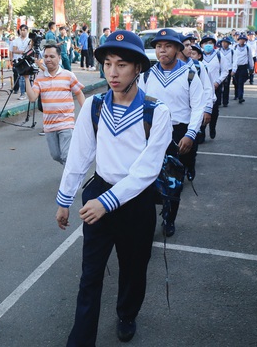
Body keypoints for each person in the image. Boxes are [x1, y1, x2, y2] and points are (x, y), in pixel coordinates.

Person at [55, 30, 171, 346]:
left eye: (121, 65)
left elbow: (146, 171)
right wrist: (64, 200)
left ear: (138, 69)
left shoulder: (156, 112)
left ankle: (127, 313)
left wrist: (107, 202)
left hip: (135, 203)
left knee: (133, 271)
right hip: (100, 195)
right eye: (107, 64)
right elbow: (79, 156)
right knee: (89, 277)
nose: (113, 72)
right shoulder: (94, 106)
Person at [138, 28, 204, 236]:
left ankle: (169, 218)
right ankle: (147, 218)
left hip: (179, 133)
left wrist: (191, 134)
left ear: (177, 49)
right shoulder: (147, 75)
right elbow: (139, 105)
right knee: (148, 178)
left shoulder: (190, 75)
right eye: (158, 46)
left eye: (167, 46)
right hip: (152, 132)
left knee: (174, 180)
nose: (162, 51)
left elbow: (198, 106)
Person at [23, 42, 85, 164]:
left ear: (59, 57)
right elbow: (32, 98)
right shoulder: (40, 77)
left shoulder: (68, 75)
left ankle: (71, 181)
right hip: (49, 125)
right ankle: (74, 170)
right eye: (45, 56)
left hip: (66, 123)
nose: (48, 59)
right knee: (56, 155)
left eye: (52, 56)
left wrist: (85, 111)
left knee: (66, 155)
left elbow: (79, 93)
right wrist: (25, 78)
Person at [178, 33, 214, 146]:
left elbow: (208, 88)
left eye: (190, 45)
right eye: (187, 45)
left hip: (194, 113)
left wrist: (208, 109)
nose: (190, 48)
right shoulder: (169, 67)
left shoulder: (198, 66)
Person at [231, 33, 254, 104]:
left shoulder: (247, 48)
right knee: (236, 82)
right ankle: (236, 94)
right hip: (235, 67)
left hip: (243, 67)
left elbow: (250, 58)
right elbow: (231, 58)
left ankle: (240, 97)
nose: (242, 41)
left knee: (241, 82)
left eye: (243, 40)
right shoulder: (234, 47)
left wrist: (251, 68)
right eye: (240, 40)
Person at [11, 25, 31, 100]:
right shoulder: (16, 40)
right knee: (21, 78)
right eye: (21, 30)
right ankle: (22, 93)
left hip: (28, 60)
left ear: (27, 31)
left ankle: (29, 92)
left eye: (24, 30)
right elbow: (14, 50)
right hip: (19, 60)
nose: (22, 32)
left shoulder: (29, 40)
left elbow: (31, 49)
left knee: (28, 77)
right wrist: (21, 52)